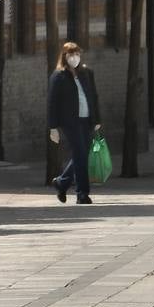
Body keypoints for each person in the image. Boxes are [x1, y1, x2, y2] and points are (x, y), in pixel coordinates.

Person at [46, 41, 102, 205]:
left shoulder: (86, 73)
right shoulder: (58, 76)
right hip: (70, 122)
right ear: (64, 57)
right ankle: (82, 193)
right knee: (80, 155)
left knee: (82, 154)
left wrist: (97, 119)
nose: (74, 58)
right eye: (71, 55)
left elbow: (94, 96)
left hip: (86, 119)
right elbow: (52, 102)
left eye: (77, 54)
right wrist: (53, 127)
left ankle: (61, 182)